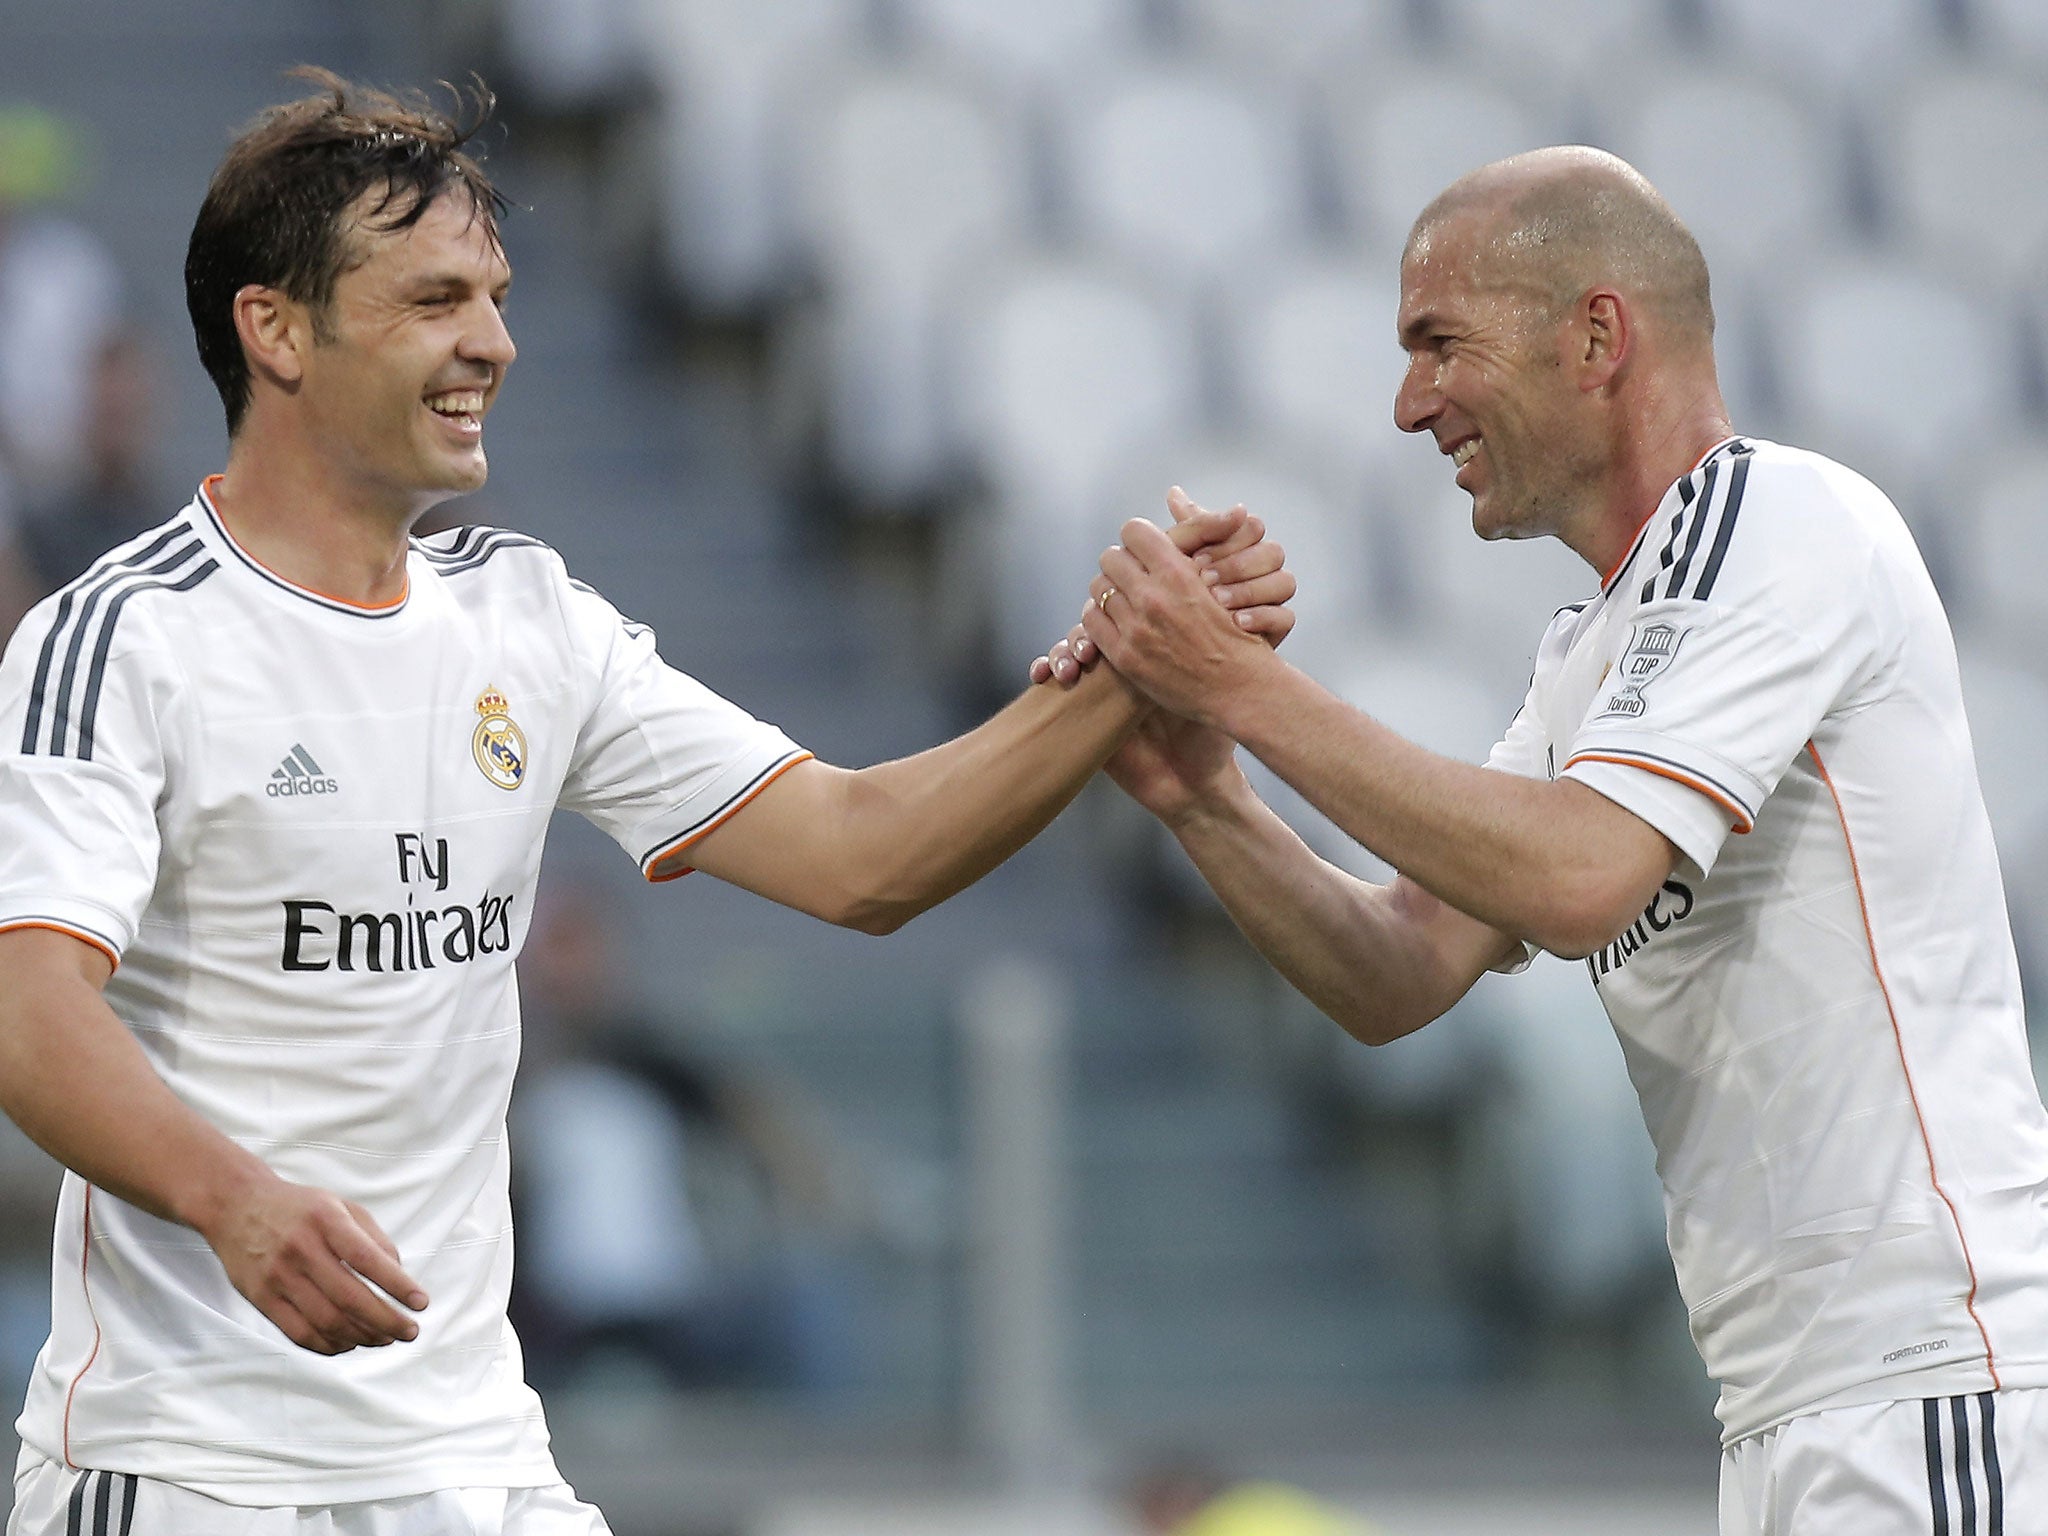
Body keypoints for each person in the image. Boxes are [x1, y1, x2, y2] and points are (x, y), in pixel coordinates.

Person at [0, 73, 1295, 1536]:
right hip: (195, 1472)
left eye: (492, 296)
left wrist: (1134, 662)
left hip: (476, 1465)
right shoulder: (121, 641)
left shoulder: (529, 619)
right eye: (434, 299)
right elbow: (27, 1010)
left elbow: (866, 855)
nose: (491, 341)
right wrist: (231, 1199)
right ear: (275, 329)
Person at [1047, 146, 2048, 1534]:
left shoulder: (1781, 523)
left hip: (1936, 1383)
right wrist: (1203, 792)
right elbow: (1404, 966)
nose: (1410, 407)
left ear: (1596, 337)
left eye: (1438, 344)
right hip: (1793, 1408)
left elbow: (1582, 877)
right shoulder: (1597, 650)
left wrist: (1238, 680)